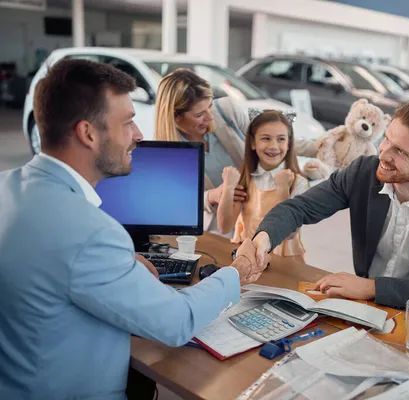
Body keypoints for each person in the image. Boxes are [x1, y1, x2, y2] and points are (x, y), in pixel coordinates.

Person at [0, 59, 266, 400]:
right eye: (127, 123)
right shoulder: (92, 233)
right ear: (88, 133)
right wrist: (238, 270)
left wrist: (121, 267)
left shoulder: (7, 189)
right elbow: (176, 321)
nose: (139, 136)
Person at [251, 100, 409, 309]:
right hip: (364, 308)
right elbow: (298, 208)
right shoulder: (363, 172)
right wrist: (263, 238)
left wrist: (372, 288)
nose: (383, 154)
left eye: (400, 151)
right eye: (386, 139)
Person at [153, 69, 317, 233]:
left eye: (210, 105)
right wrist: (212, 196)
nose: (210, 116)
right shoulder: (166, 152)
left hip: (257, 215)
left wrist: (322, 149)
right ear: (176, 117)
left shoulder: (226, 111)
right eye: (200, 114)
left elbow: (267, 138)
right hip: (219, 230)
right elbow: (174, 202)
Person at [218, 110, 309, 259]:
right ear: (253, 143)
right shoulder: (245, 179)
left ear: (289, 144)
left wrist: (282, 189)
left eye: (281, 139)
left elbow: (290, 233)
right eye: (266, 138)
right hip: (248, 258)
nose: (274, 146)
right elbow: (224, 227)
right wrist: (228, 188)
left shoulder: (298, 183)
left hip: (283, 262)